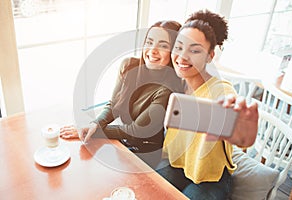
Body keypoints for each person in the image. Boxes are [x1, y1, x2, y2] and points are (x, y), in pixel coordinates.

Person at [157, 10, 258, 199]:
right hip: (177, 167)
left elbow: (232, 120)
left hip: (210, 179)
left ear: (210, 56)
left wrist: (240, 133)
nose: (182, 57)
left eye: (195, 50)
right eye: (179, 47)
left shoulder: (221, 90)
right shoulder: (176, 82)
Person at [60, 20, 185, 168]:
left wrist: (93, 131)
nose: (153, 50)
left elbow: (137, 131)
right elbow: (114, 105)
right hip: (122, 141)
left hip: (144, 151)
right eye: (149, 42)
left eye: (163, 46)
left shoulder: (168, 90)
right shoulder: (129, 65)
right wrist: (95, 124)